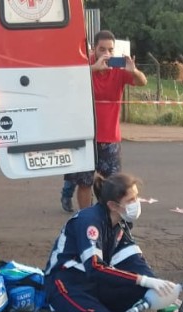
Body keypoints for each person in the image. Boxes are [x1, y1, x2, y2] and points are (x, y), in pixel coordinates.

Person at [24, 173, 176, 312]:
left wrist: (162, 287)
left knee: (141, 290)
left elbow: (135, 261)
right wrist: (144, 280)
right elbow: (95, 267)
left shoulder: (119, 224)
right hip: (64, 285)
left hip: (91, 285)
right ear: (112, 205)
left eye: (137, 197)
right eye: (131, 200)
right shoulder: (89, 221)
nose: (137, 204)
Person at [59, 30, 147, 213]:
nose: (106, 54)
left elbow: (142, 82)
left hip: (110, 137)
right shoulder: (84, 65)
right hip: (86, 135)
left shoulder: (118, 69)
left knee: (115, 183)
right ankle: (85, 216)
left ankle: (110, 218)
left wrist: (134, 71)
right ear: (93, 49)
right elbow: (66, 79)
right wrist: (93, 69)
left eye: (110, 50)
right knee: (84, 182)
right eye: (102, 49)